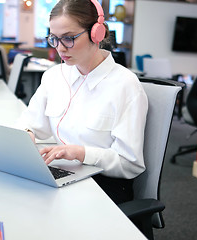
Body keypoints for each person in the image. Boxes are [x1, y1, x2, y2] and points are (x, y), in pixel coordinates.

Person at [19, 0, 148, 204]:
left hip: (103, 183)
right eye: (54, 38)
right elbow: (33, 125)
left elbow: (130, 164)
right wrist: (26, 134)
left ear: (97, 34)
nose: (60, 48)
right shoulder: (54, 76)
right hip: (65, 172)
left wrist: (81, 153)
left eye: (69, 38)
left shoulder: (126, 86)